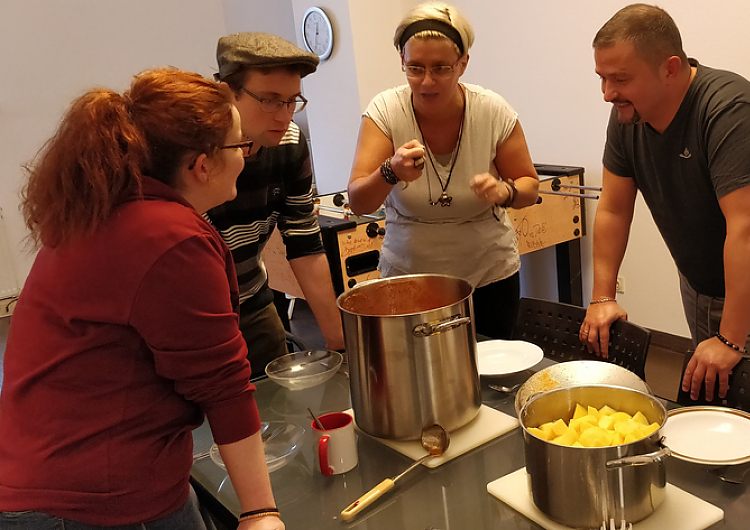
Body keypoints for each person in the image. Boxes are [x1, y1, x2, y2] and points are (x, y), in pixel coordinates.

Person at [0, 69, 283, 530]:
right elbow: (223, 386)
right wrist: (259, 511)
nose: (246, 158)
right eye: (239, 146)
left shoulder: (98, 211)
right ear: (202, 164)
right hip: (97, 499)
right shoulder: (170, 239)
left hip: (32, 473)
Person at [582, 3, 750, 402]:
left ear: (670, 68)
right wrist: (603, 297)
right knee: (709, 394)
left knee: (747, 410)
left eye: (620, 79)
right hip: (698, 282)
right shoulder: (627, 116)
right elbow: (613, 208)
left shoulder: (729, 110)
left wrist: (731, 340)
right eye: (602, 78)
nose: (607, 93)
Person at [347, 2, 540, 340]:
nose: (427, 82)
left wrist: (504, 191)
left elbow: (530, 187)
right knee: (415, 376)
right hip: (409, 276)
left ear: (463, 63)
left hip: (488, 274)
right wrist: (390, 171)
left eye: (441, 68)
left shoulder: (492, 111)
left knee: (491, 374)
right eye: (415, 68)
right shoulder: (385, 111)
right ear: (402, 62)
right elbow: (359, 201)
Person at [210, 32, 345, 377]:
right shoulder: (190, 153)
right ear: (227, 92)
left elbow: (304, 243)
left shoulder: (291, 144)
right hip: (194, 314)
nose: (283, 116)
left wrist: (339, 341)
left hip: (253, 299)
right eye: (269, 100)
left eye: (292, 101)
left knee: (279, 405)